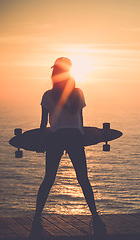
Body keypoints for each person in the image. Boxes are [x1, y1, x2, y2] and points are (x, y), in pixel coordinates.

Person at [30, 57, 106, 239]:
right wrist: (82, 137)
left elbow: (43, 124)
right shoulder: (78, 93)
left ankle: (36, 220)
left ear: (54, 73)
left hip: (55, 138)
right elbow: (80, 121)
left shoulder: (47, 95)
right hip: (75, 138)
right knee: (83, 179)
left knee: (48, 179)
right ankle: (95, 218)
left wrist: (41, 142)